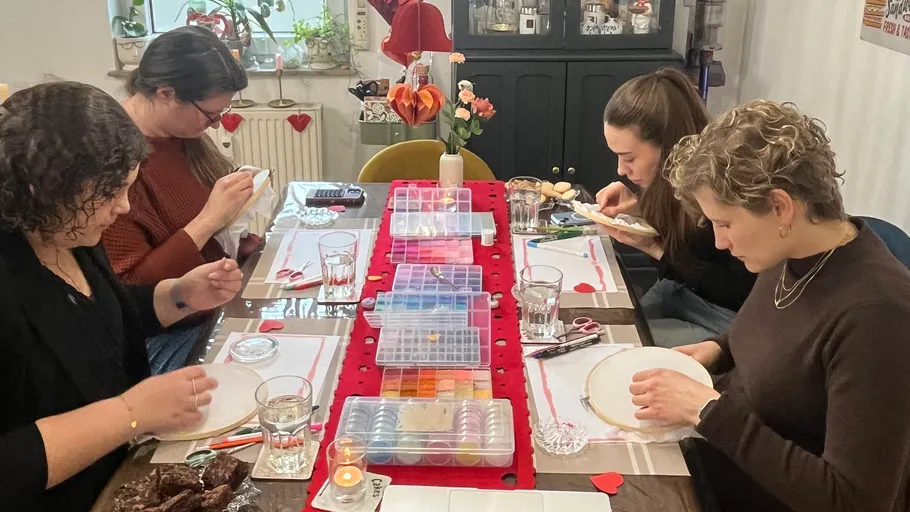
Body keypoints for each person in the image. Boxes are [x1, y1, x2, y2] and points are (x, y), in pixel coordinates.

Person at [630, 100, 910, 511]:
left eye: (725, 224)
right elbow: (786, 340)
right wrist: (719, 349)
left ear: (780, 206)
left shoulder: (878, 317)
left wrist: (707, 411)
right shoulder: (790, 251)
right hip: (713, 457)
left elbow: (855, 500)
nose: (721, 242)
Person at [0, 82, 244, 510]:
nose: (126, 207)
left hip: (123, 472)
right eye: (111, 193)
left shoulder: (70, 231)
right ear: (45, 189)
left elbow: (96, 319)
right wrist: (130, 412)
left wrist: (180, 295)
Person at [103, 26, 259, 375]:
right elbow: (132, 293)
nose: (216, 125)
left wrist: (238, 241)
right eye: (210, 115)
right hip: (168, 337)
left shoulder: (179, 134)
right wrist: (209, 221)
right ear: (166, 93)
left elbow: (197, 232)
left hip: (210, 309)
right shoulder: (114, 161)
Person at [595, 68, 755, 348]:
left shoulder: (721, 188)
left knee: (618, 346)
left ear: (668, 145)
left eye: (629, 158)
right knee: (601, 327)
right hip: (681, 291)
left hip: (725, 318)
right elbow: (683, 261)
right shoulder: (667, 181)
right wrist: (641, 209)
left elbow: (738, 290)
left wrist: (655, 247)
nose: (621, 170)